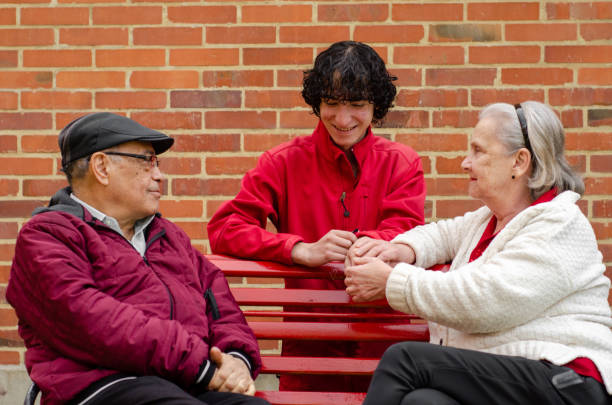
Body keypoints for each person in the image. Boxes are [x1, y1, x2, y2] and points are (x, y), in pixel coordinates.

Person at [344, 101, 612, 404]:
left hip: (567, 381)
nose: (465, 162)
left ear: (519, 162)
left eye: (479, 151)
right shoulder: (491, 219)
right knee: (423, 401)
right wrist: (402, 249)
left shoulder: (559, 223)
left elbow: (485, 300)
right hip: (517, 379)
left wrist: (392, 281)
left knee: (405, 360)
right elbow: (444, 233)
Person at [207, 40, 426, 392]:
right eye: (332, 103)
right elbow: (226, 228)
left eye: (357, 105)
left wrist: (372, 243)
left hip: (387, 338)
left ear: (376, 105)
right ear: (317, 102)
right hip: (307, 342)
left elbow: (406, 229)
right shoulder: (283, 161)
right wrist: (299, 250)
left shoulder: (401, 162)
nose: (343, 119)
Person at [7, 113, 270, 405]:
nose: (159, 175)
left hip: (186, 384)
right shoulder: (48, 236)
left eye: (157, 163)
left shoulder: (169, 237)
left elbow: (219, 304)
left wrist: (236, 359)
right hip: (101, 387)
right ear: (102, 167)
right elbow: (93, 321)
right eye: (147, 161)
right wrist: (200, 366)